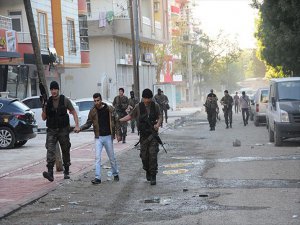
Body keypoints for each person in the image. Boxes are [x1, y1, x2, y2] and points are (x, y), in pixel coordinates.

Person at [120, 88, 162, 185]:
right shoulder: (138, 107)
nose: (147, 101)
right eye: (145, 99)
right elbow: (130, 116)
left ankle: (153, 175)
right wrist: (120, 120)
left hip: (153, 136)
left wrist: (158, 124)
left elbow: (160, 116)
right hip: (143, 136)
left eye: (149, 99)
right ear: (143, 98)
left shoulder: (155, 106)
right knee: (144, 157)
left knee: (153, 155)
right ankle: (147, 170)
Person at [76, 93, 119, 184]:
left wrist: (118, 134)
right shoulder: (92, 111)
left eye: (98, 100)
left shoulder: (109, 109)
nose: (96, 102)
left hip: (108, 137)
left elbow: (116, 121)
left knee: (112, 157)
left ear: (101, 100)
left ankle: (115, 174)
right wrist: (80, 128)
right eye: (95, 101)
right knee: (97, 158)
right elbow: (88, 123)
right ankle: (97, 177)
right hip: (98, 137)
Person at [42, 81, 80, 182]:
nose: (53, 91)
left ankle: (66, 171)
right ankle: (50, 173)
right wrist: (44, 106)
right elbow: (43, 118)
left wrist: (77, 125)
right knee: (50, 150)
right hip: (51, 129)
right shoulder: (48, 101)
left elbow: (74, 112)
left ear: (58, 89)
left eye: (55, 89)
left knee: (65, 149)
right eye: (52, 89)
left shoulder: (64, 100)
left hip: (63, 129)